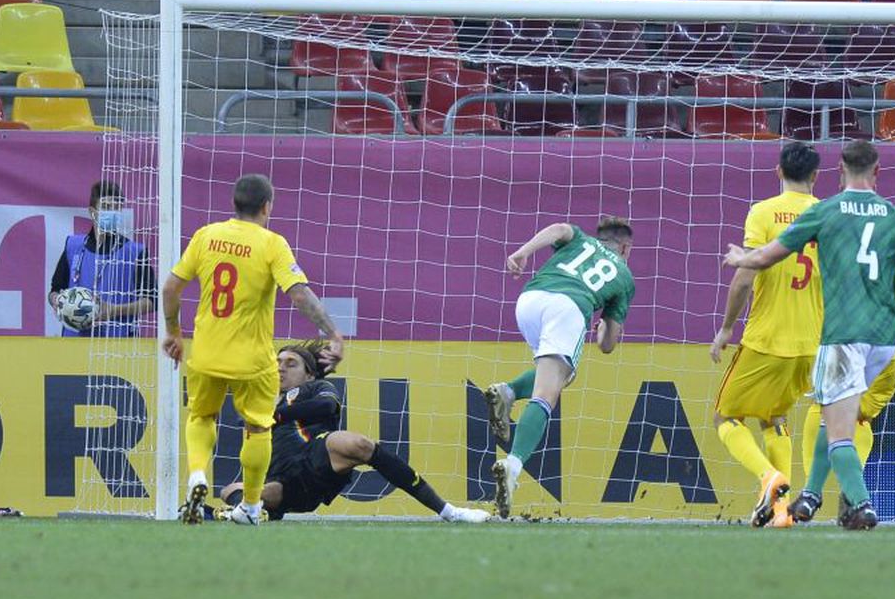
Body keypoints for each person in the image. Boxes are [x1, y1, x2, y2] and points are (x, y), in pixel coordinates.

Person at [724, 140, 895, 530]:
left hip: (844, 335)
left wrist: (742, 258)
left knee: (837, 427)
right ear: (877, 171)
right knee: (837, 419)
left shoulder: (826, 211)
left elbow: (770, 255)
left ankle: (860, 502)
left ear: (839, 170)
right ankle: (809, 494)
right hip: (885, 340)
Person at [161, 174, 344, 526]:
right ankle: (249, 505)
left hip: (207, 353)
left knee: (201, 417)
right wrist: (333, 332)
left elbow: (171, 289)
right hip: (252, 360)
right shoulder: (272, 243)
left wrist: (173, 332)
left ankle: (198, 474)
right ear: (266, 206)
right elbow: (300, 294)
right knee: (258, 428)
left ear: (235, 204)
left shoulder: (206, 235)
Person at [218, 341, 489, 524]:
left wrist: (277, 416)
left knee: (358, 443)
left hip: (317, 457)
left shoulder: (314, 389)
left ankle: (449, 511)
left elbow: (328, 406)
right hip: (283, 480)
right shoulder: (257, 401)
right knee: (230, 489)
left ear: (309, 374)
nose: (280, 367)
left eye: (291, 363)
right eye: (277, 362)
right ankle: (246, 513)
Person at [485, 218, 635, 519]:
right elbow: (608, 344)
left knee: (557, 376)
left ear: (599, 238)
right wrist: (601, 330)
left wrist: (522, 252)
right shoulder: (624, 276)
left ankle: (509, 391)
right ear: (625, 248)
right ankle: (512, 467)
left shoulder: (580, 239)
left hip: (529, 301)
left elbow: (558, 229)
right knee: (547, 392)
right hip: (568, 307)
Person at [708, 142, 822, 529]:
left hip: (767, 338)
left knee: (726, 415)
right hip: (811, 342)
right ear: (815, 177)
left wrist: (725, 329)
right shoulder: (827, 214)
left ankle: (768, 478)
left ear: (778, 172)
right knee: (774, 418)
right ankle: (780, 511)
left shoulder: (763, 212)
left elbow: (745, 276)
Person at [793, 231, 895, 524]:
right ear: (874, 182)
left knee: (826, 412)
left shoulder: (837, 220)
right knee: (858, 418)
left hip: (848, 336)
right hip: (890, 343)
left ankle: (815, 493)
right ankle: (851, 498)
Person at [49, 180, 155, 337]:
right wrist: (59, 302)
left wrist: (113, 311)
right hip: (74, 340)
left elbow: (152, 301)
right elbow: (54, 290)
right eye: (106, 207)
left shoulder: (135, 252)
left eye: (117, 208)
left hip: (118, 342)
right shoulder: (73, 246)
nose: (112, 212)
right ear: (92, 212)